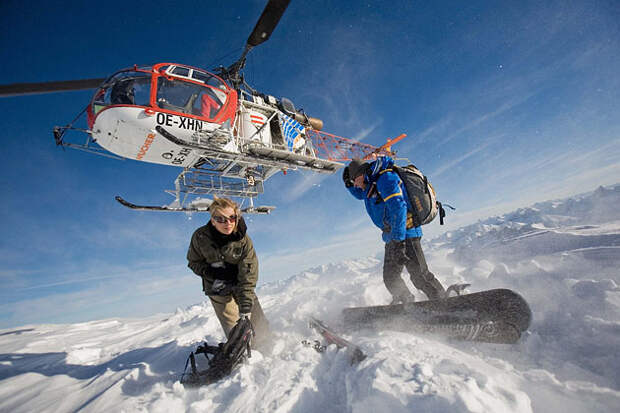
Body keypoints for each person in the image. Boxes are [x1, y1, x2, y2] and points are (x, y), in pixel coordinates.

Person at [343, 156, 446, 303]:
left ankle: (444, 303)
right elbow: (360, 194)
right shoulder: (370, 184)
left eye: (355, 182)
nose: (356, 186)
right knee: (391, 278)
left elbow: (399, 208)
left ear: (360, 175)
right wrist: (348, 184)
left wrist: (399, 241)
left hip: (406, 233)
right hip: (392, 237)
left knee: (420, 276)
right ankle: (407, 304)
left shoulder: (385, 178)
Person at [187, 196, 271, 350]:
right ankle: (242, 353)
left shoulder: (243, 240)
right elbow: (193, 262)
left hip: (241, 284)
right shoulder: (200, 237)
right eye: (221, 219)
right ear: (213, 220)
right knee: (236, 334)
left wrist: (246, 306)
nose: (228, 223)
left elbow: (248, 273)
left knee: (260, 326)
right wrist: (210, 272)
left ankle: (268, 348)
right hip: (217, 288)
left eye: (232, 217)